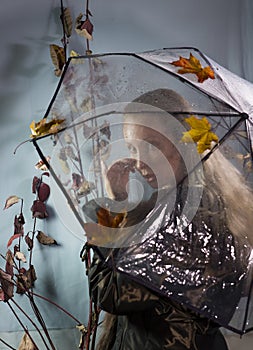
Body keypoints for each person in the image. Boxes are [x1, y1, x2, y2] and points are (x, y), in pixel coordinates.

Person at [86, 89, 253, 350]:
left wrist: (106, 219)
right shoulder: (202, 203)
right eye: (132, 148)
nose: (140, 163)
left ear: (183, 143)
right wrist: (121, 204)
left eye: (152, 146)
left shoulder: (191, 218)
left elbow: (113, 292)